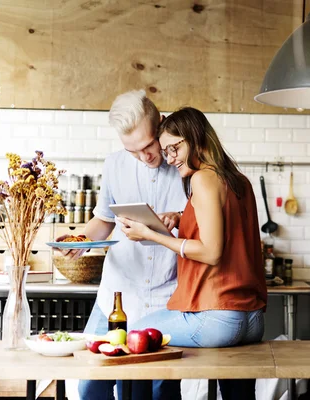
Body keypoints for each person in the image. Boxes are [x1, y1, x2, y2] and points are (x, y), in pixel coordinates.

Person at [116, 106, 268, 399]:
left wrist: (149, 234)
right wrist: (179, 216)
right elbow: (222, 225)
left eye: (175, 148)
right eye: (166, 150)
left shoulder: (202, 178)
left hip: (218, 317)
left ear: (197, 139)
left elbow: (211, 252)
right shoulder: (238, 180)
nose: (170, 158)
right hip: (251, 320)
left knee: (135, 335)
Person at [57, 89, 187, 400]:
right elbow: (103, 221)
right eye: (133, 151)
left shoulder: (186, 166)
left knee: (159, 393)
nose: (146, 157)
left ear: (162, 125)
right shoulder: (115, 165)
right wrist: (81, 241)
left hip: (167, 300)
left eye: (149, 145)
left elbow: (203, 223)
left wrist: (179, 217)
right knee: (91, 387)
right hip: (116, 297)